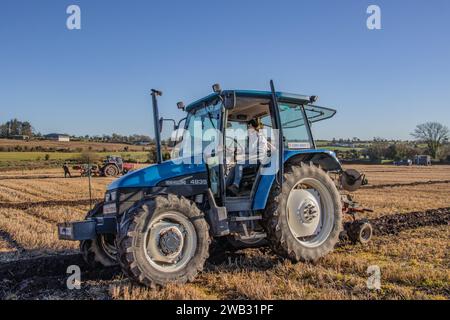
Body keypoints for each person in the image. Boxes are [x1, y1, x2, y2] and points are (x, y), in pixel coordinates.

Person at [227, 119, 274, 195]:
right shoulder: (258, 135)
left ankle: (235, 186)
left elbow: (251, 150)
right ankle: (227, 186)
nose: (248, 129)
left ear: (251, 126)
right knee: (234, 166)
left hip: (259, 159)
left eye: (248, 126)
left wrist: (240, 150)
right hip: (257, 157)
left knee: (239, 164)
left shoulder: (255, 135)